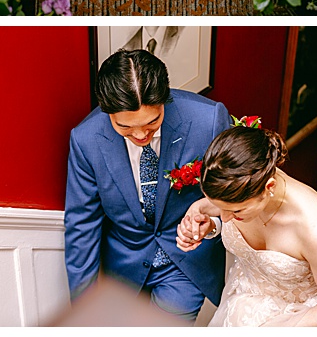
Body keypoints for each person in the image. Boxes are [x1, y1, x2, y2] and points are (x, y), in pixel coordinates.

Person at [65, 48, 229, 320]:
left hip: (185, 262)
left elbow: (232, 192)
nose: (141, 134)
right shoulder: (86, 140)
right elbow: (82, 224)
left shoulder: (208, 120)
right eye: (125, 128)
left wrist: (213, 225)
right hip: (124, 267)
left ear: (165, 99)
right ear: (107, 112)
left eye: (152, 122)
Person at [177, 124, 317, 326]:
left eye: (237, 211)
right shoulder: (238, 182)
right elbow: (213, 208)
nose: (226, 217)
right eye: (220, 208)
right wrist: (209, 224)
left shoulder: (316, 228)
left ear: (269, 188)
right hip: (242, 305)